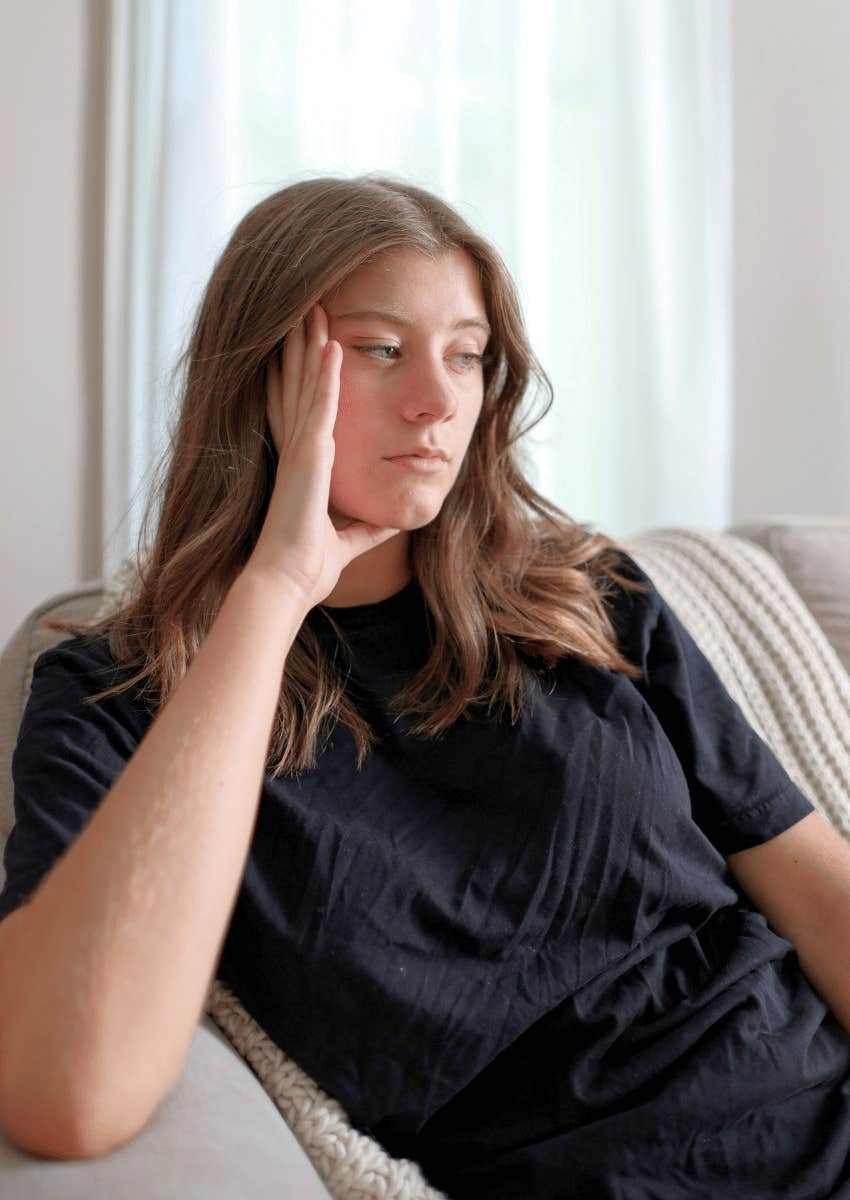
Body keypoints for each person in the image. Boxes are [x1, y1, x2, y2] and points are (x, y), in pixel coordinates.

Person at [0, 174, 849, 1199]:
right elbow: (69, 1091)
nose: (438, 401)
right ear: (261, 378)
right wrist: (272, 591)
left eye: (466, 354)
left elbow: (817, 894)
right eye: (380, 349)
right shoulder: (114, 697)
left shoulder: (589, 598)